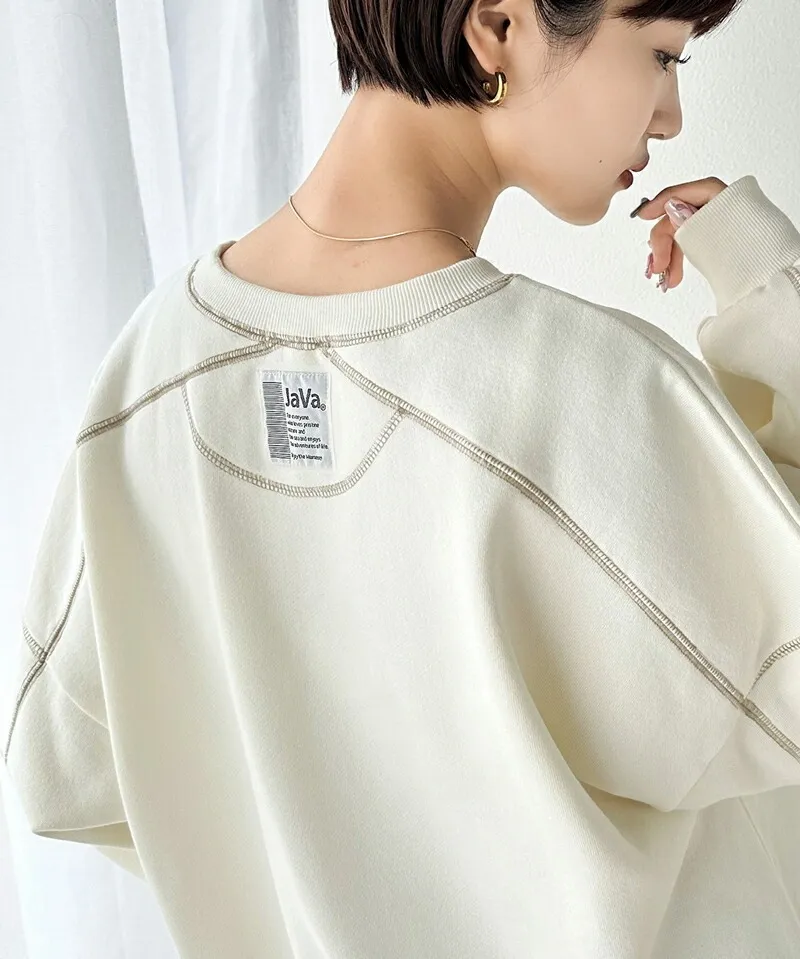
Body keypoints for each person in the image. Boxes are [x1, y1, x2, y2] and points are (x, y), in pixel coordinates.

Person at [3, 0, 799, 955]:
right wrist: (770, 283)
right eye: (662, 55)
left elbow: (61, 768)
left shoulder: (144, 381)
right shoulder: (587, 391)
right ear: (498, 26)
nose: (669, 117)